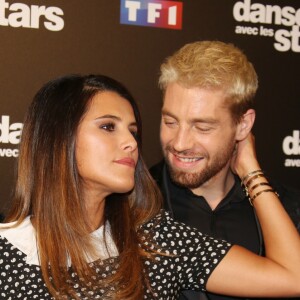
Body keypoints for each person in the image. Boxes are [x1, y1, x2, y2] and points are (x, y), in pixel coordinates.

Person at [0, 74, 300, 300]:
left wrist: (250, 169)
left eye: (133, 130)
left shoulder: (156, 241)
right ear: (58, 139)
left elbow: (292, 277)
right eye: (108, 127)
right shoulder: (8, 252)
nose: (131, 142)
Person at [150, 40, 300, 300]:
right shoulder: (133, 206)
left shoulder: (286, 210)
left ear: (243, 125)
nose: (180, 143)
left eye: (203, 127)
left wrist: (251, 172)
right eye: (170, 121)